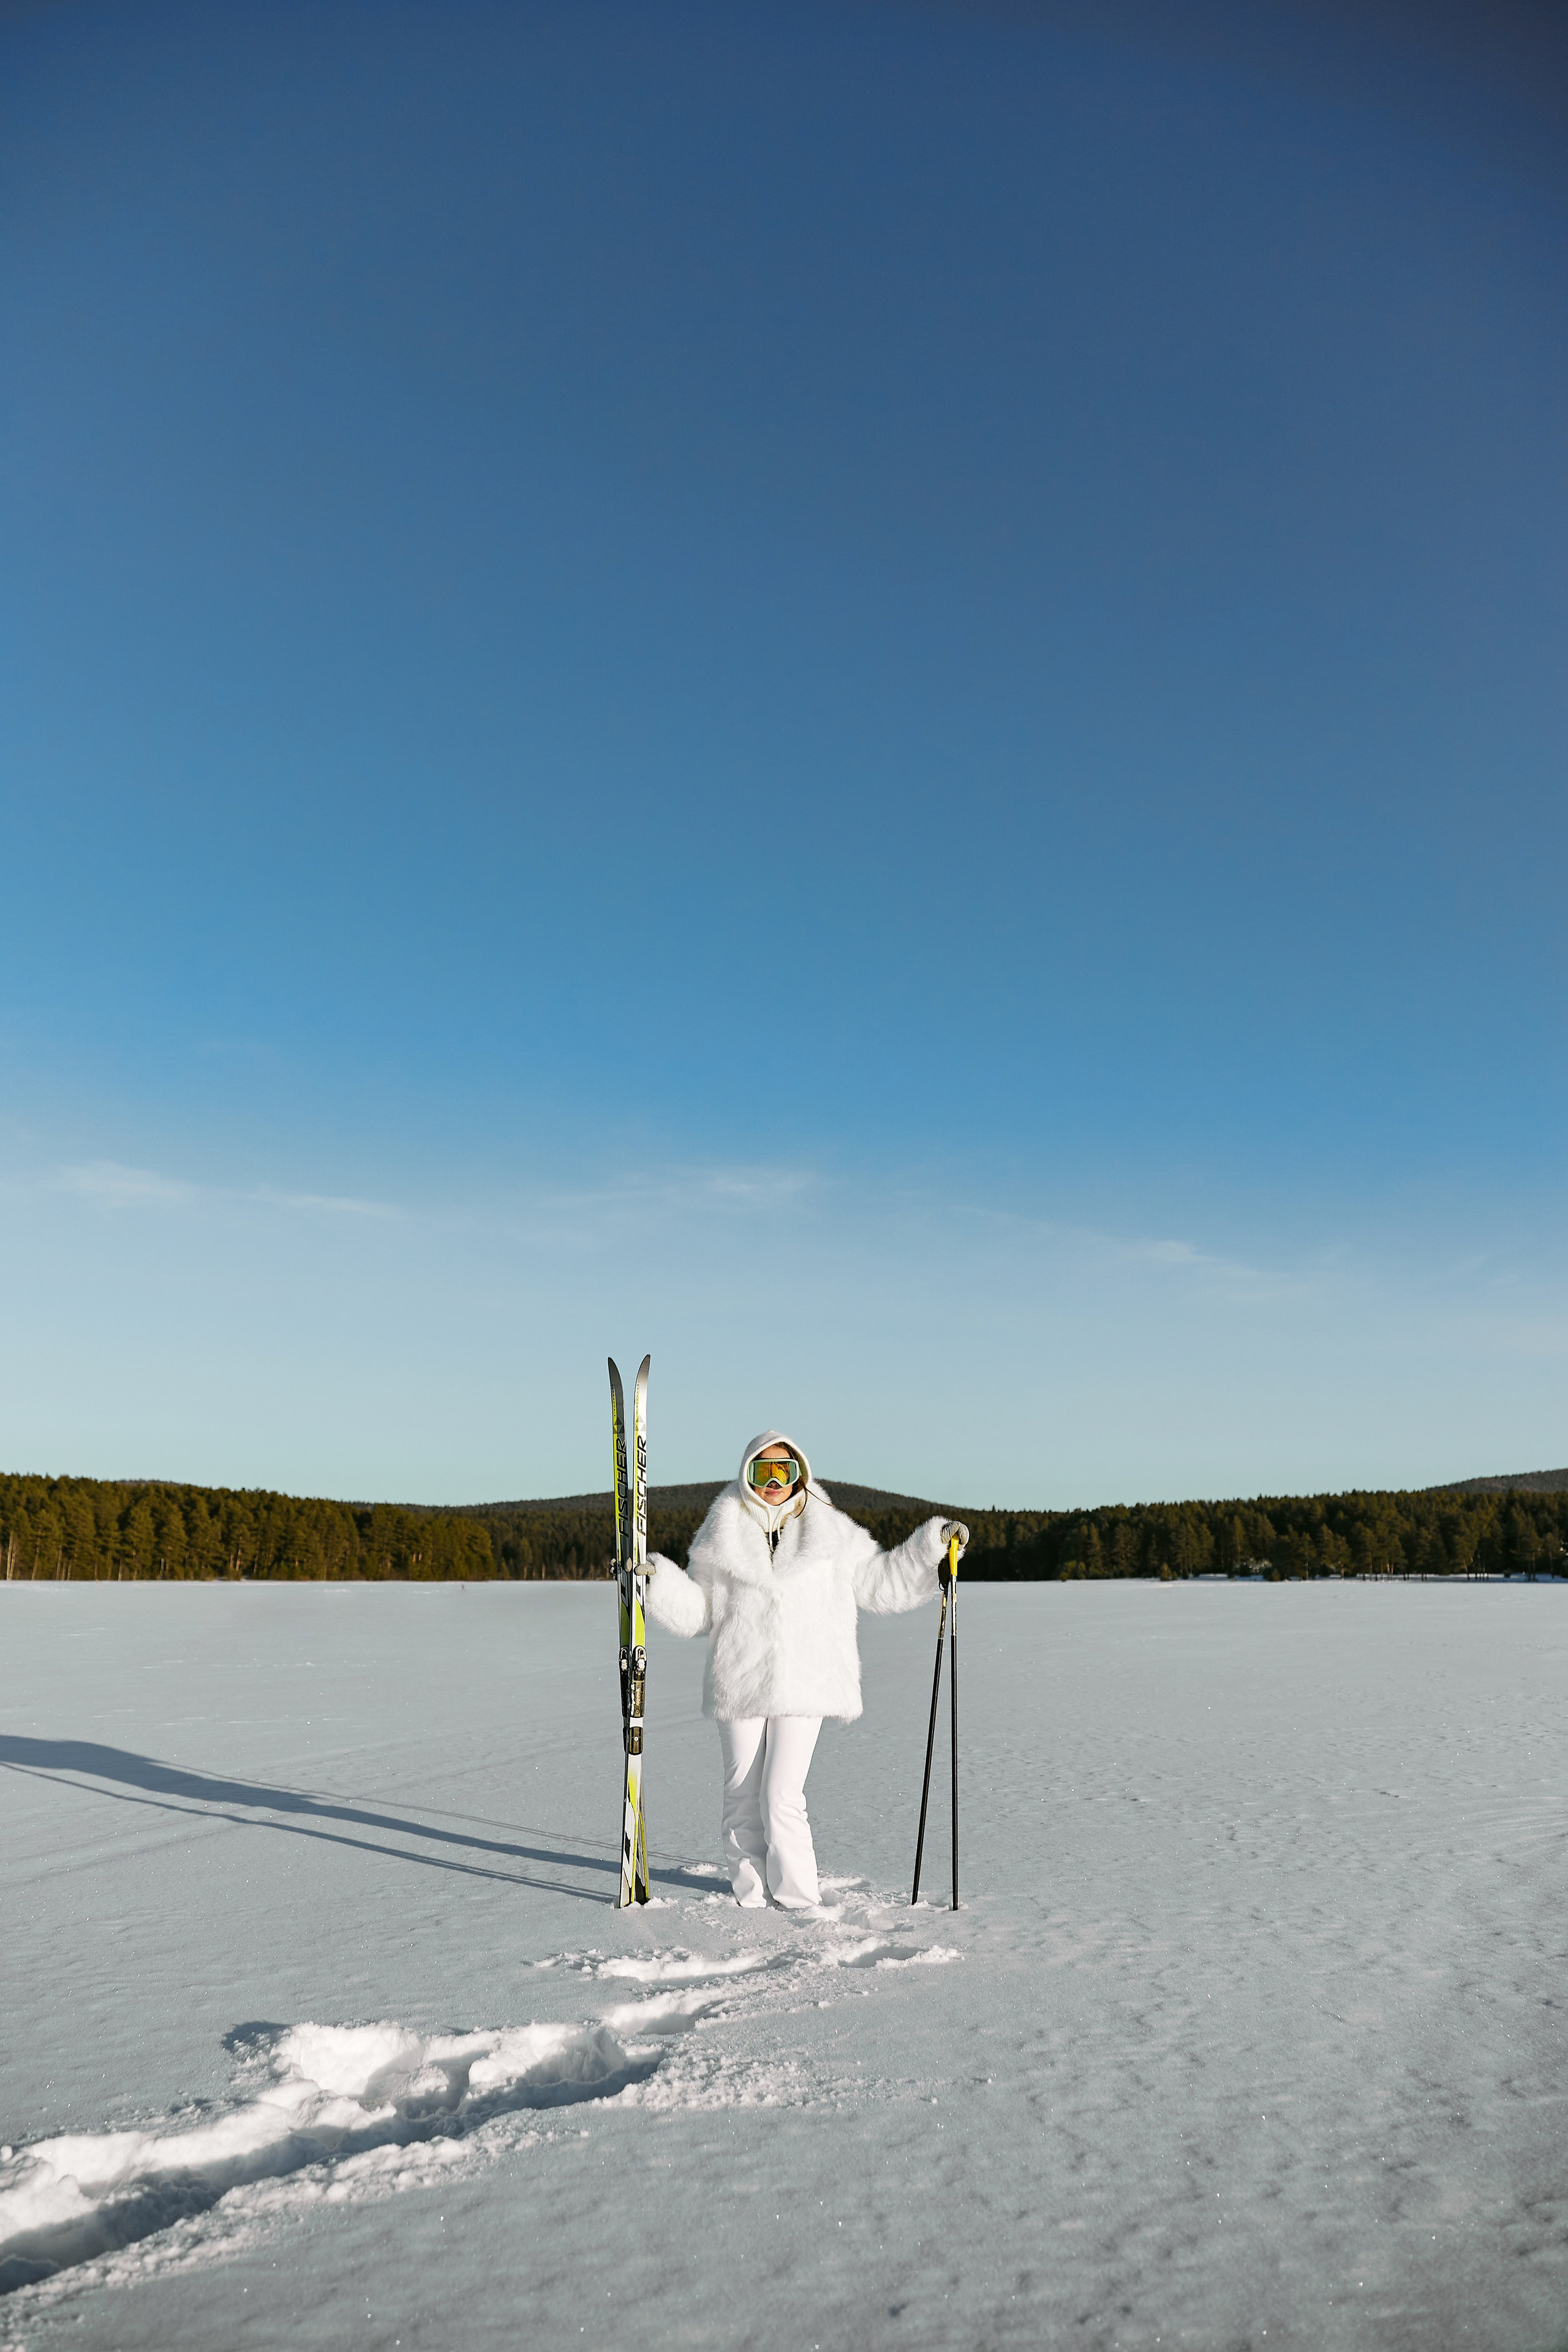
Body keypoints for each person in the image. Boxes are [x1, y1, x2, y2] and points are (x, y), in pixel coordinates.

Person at [644, 1430, 968, 1910]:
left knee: (781, 1795)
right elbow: (699, 1612)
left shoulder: (833, 1534)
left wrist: (931, 1551)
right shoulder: (722, 1531)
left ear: (800, 1473)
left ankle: (797, 1898)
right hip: (740, 1679)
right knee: (741, 1796)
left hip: (808, 1680)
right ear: (747, 1473)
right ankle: (751, 1897)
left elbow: (881, 1584)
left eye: (784, 1470)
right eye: (763, 1470)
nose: (774, 1480)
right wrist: (656, 1580)